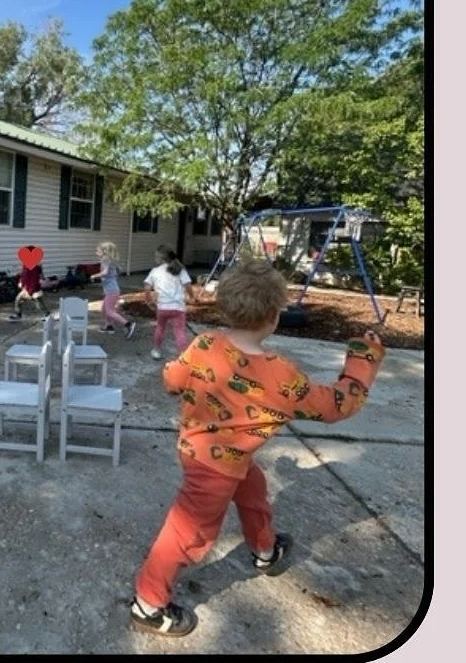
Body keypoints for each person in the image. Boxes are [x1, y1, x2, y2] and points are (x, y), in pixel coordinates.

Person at [130, 258, 386, 637]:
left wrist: (182, 377)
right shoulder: (280, 374)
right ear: (273, 316)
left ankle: (265, 551)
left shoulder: (205, 344)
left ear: (227, 306)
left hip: (202, 450)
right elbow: (335, 405)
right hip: (214, 468)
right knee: (188, 532)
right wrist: (362, 361)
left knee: (253, 492)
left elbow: (172, 379)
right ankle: (148, 605)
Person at [144, 245, 194, 360]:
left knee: (160, 328)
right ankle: (184, 356)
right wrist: (192, 297)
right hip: (178, 308)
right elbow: (188, 285)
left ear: (160, 258)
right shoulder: (180, 270)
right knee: (179, 332)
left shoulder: (155, 271)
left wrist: (149, 301)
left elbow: (147, 288)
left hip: (162, 307)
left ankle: (156, 350)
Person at [91, 241, 137, 338]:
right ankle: (109, 326)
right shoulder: (110, 260)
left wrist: (94, 276)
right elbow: (118, 270)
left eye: (98, 249)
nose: (96, 250)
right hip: (111, 290)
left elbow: (105, 272)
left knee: (109, 311)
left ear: (105, 251)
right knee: (104, 309)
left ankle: (128, 325)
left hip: (112, 291)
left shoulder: (105, 259)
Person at [9, 247, 49, 321]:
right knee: (18, 299)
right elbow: (24, 275)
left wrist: (31, 290)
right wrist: (20, 280)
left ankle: (47, 316)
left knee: (38, 302)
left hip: (33, 288)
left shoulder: (34, 266)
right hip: (27, 288)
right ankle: (18, 315)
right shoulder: (26, 264)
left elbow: (35, 279)